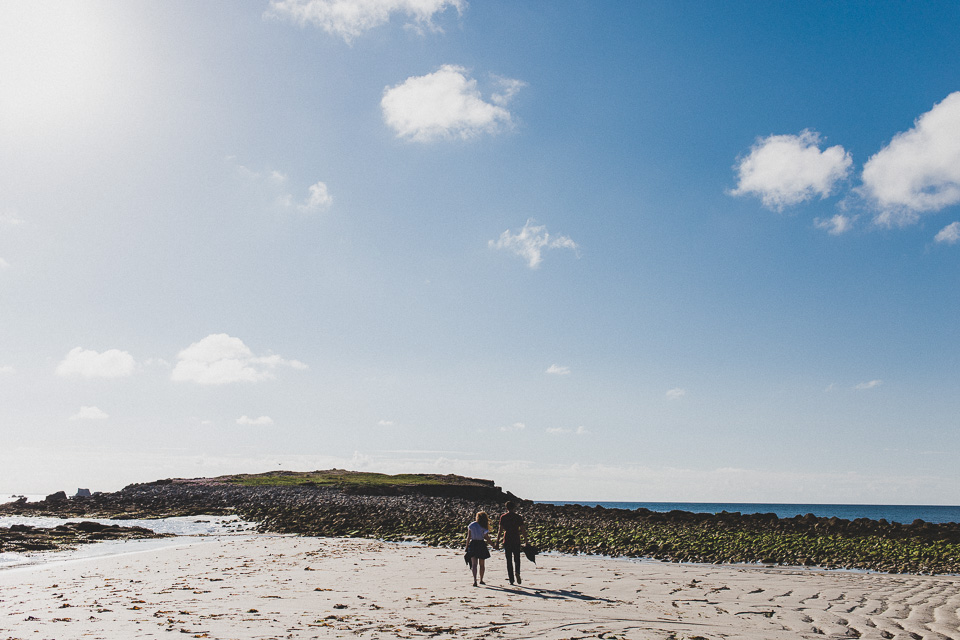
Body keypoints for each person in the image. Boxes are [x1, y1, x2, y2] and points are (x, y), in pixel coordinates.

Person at [497, 501, 527, 585]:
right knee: (517, 558)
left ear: (506, 508)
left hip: (507, 539)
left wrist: (496, 542)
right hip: (516, 539)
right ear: (514, 508)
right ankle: (517, 572)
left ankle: (511, 579)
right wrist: (526, 541)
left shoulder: (503, 517)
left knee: (509, 560)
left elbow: (500, 530)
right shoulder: (518, 517)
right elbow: (523, 530)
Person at [464, 511, 495, 587]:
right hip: (481, 544)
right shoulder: (483, 526)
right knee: (482, 564)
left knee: (474, 564)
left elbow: (468, 537)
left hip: (473, 544)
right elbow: (487, 538)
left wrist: (466, 546)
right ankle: (481, 579)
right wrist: (493, 545)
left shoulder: (471, 525)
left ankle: (475, 580)